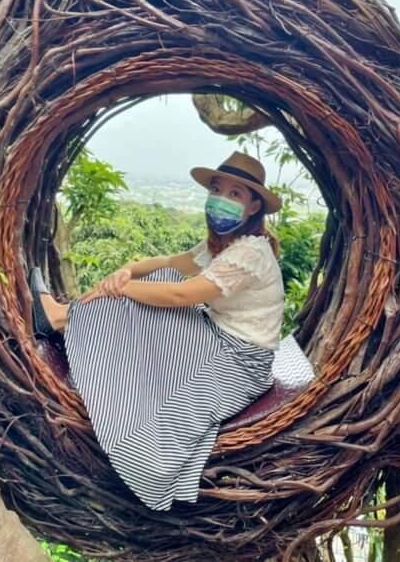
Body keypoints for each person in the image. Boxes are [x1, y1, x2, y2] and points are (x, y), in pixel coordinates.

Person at [29, 150, 285, 511]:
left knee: (145, 298)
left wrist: (124, 289)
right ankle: (64, 320)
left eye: (235, 195)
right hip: (218, 337)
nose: (221, 200)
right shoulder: (223, 246)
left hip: (241, 363)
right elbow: (169, 264)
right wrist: (126, 272)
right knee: (155, 281)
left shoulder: (250, 253)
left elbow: (181, 294)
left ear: (254, 206)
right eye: (217, 189)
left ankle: (58, 318)